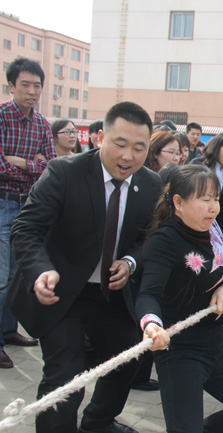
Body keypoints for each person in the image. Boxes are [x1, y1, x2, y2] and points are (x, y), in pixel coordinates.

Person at [8, 101, 162, 432]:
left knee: (126, 359)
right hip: (60, 290)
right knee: (66, 373)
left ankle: (98, 423)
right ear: (99, 137)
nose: (128, 156)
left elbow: (151, 237)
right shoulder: (64, 172)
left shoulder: (150, 184)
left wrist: (131, 261)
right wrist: (40, 270)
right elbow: (26, 229)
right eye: (120, 144)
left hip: (111, 292)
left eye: (139, 148)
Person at [136, 164, 223, 433]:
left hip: (214, 346)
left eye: (216, 199)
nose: (213, 207)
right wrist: (150, 324)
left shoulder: (214, 230)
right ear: (178, 202)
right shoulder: (165, 240)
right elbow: (148, 293)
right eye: (204, 199)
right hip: (180, 352)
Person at [1, 57, 56, 370]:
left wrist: (21, 163)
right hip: (2, 202)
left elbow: (50, 165)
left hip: (27, 206)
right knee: (0, 276)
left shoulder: (40, 123)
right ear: (11, 86)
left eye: (37, 85)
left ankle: (9, 331)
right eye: (26, 84)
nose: (33, 91)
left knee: (15, 276)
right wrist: (29, 166)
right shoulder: (1, 117)